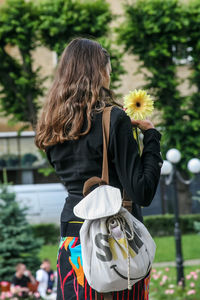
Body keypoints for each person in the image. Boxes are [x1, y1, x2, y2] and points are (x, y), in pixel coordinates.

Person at [35, 38, 163, 300]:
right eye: (108, 69)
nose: (110, 75)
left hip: (73, 241)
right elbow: (142, 192)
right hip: (114, 240)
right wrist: (151, 138)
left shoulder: (52, 125)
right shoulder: (114, 119)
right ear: (98, 72)